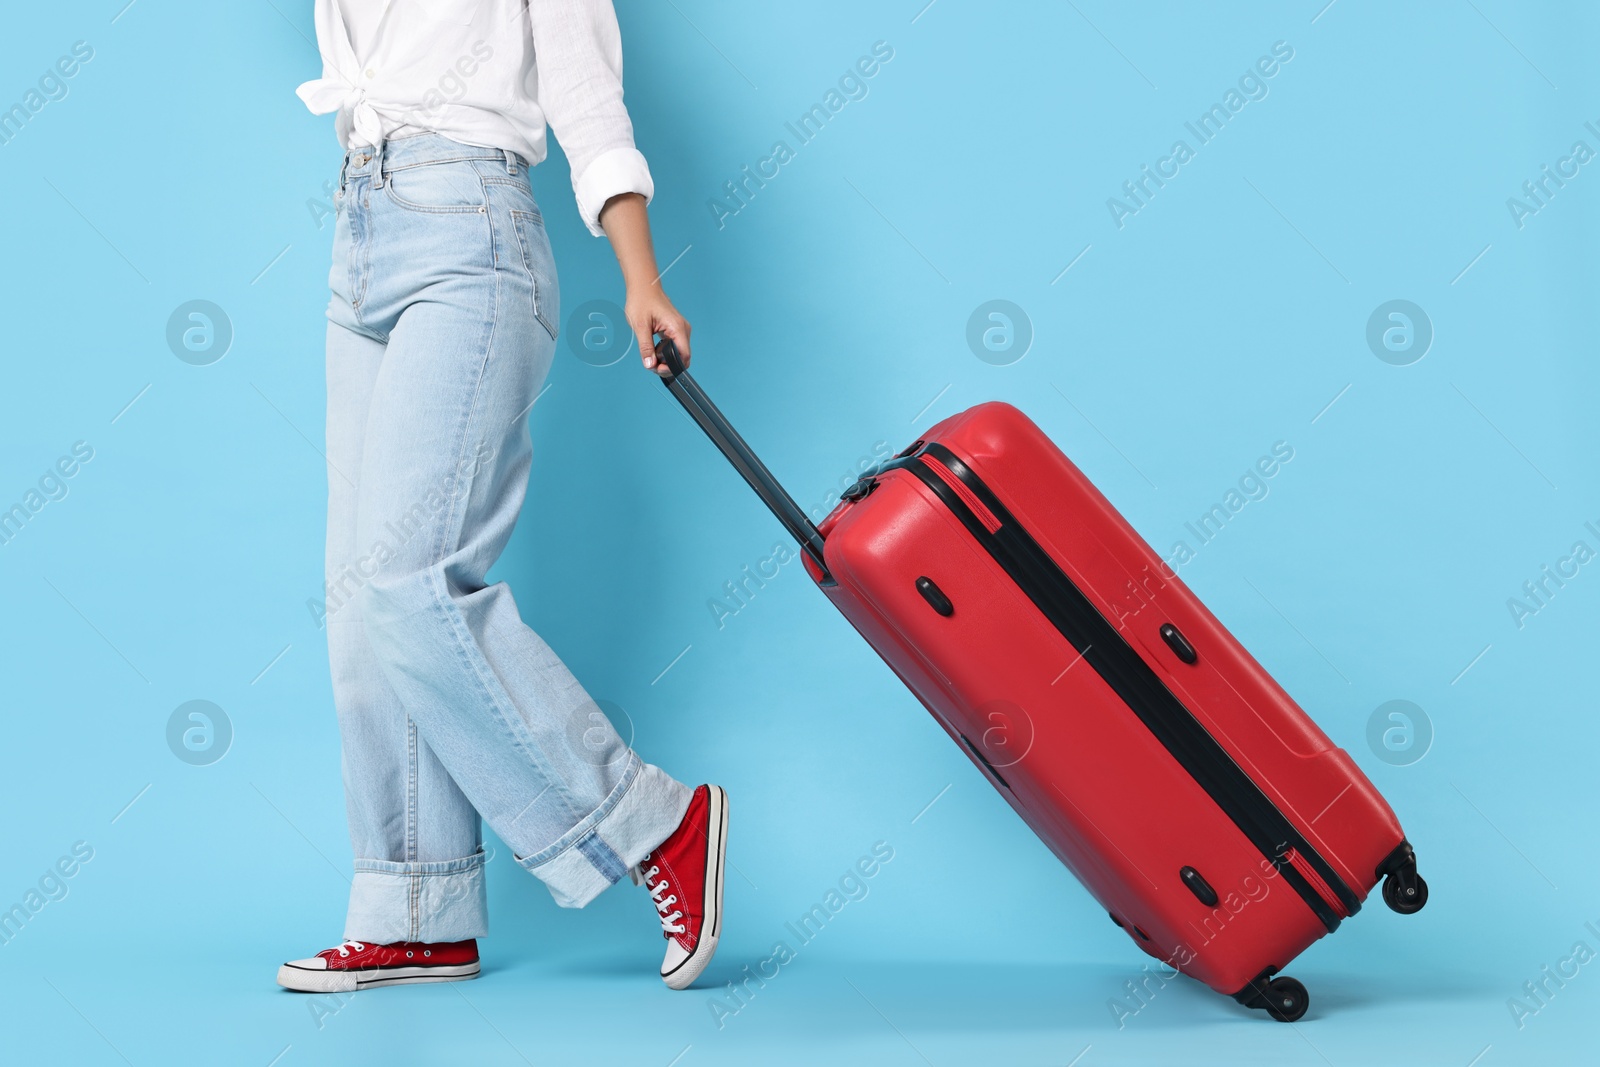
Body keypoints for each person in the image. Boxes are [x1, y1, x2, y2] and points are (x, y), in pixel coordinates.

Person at [275, 0, 727, 994]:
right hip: (357, 237)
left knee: (411, 575)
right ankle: (415, 908)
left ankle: (650, 819)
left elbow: (584, 89)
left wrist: (640, 276)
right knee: (360, 607)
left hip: (469, 233)